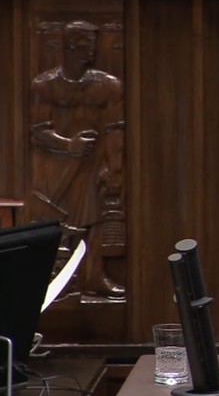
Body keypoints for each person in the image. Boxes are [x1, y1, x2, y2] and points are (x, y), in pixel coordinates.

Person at [29, 20, 126, 299]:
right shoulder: (44, 85)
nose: (91, 51)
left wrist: (114, 167)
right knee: (56, 225)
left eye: (93, 45)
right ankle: (56, 282)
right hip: (54, 168)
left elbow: (115, 129)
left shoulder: (108, 85)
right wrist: (68, 144)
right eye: (85, 45)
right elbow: (37, 131)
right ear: (69, 46)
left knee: (94, 221)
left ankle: (93, 277)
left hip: (92, 164)